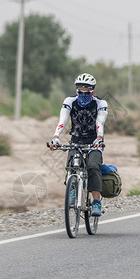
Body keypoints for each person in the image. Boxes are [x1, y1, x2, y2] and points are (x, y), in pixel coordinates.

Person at [49, 73, 108, 216]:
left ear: (92, 91)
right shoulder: (70, 101)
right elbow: (62, 121)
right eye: (80, 91)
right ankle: (73, 190)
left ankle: (96, 203)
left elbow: (100, 122)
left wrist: (99, 138)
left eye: (86, 91)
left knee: (93, 167)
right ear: (76, 90)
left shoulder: (101, 103)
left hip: (94, 142)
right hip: (76, 141)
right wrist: (56, 137)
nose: (83, 94)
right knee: (72, 166)